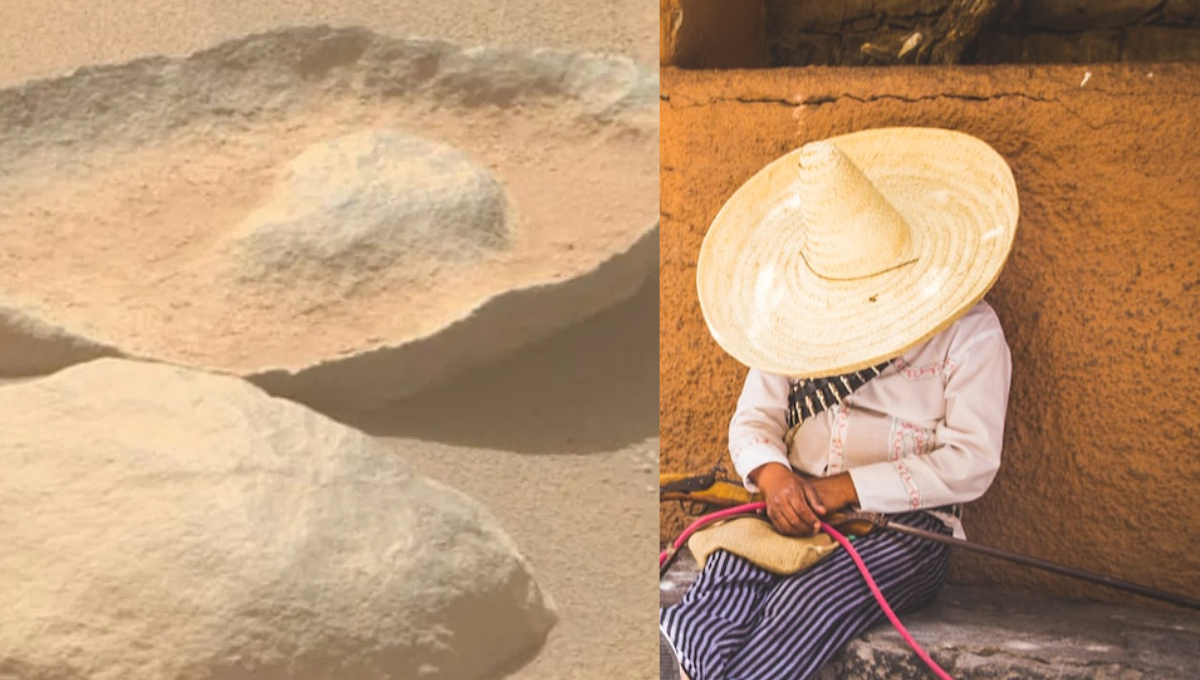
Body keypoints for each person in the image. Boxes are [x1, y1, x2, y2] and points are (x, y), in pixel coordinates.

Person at [660, 127, 1019, 680]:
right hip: (787, 508)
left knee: (800, 610)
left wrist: (846, 488)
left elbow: (970, 461)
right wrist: (776, 479)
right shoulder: (791, 319)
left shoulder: (969, 336)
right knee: (711, 604)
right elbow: (755, 420)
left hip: (901, 530)